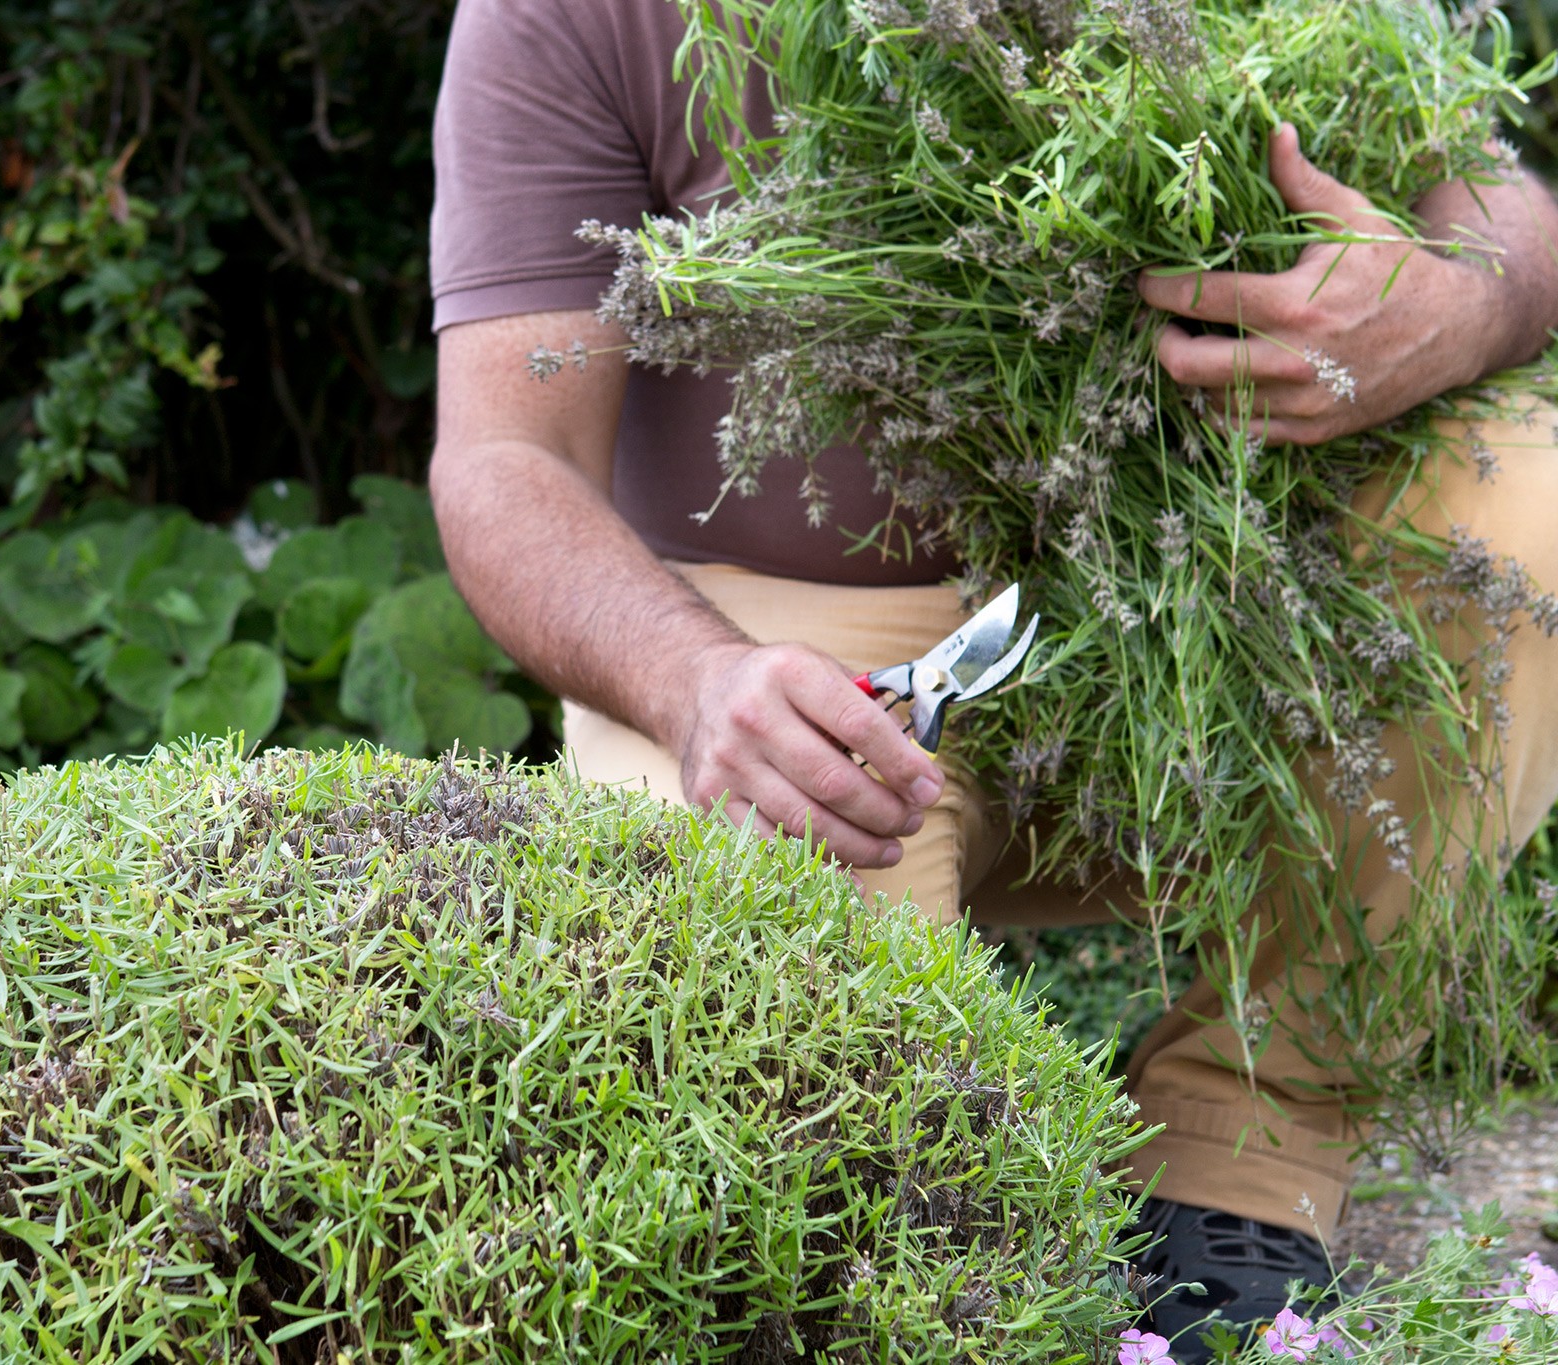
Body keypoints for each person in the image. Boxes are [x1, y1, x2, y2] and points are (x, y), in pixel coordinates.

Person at [426, 0, 1558, 1355]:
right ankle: (957, 1234)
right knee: (833, 1194)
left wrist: (1461, 295)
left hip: (1204, 618)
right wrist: (696, 681)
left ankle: (1237, 1161)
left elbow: (1497, 197)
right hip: (794, 662)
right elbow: (507, 458)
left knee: (1529, 502)